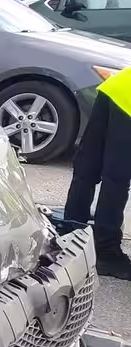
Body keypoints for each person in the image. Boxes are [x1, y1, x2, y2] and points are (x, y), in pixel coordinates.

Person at [62, 66, 131, 279]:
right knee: (117, 177)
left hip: (117, 85)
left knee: (88, 163)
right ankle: (106, 253)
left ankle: (71, 231)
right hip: (127, 101)